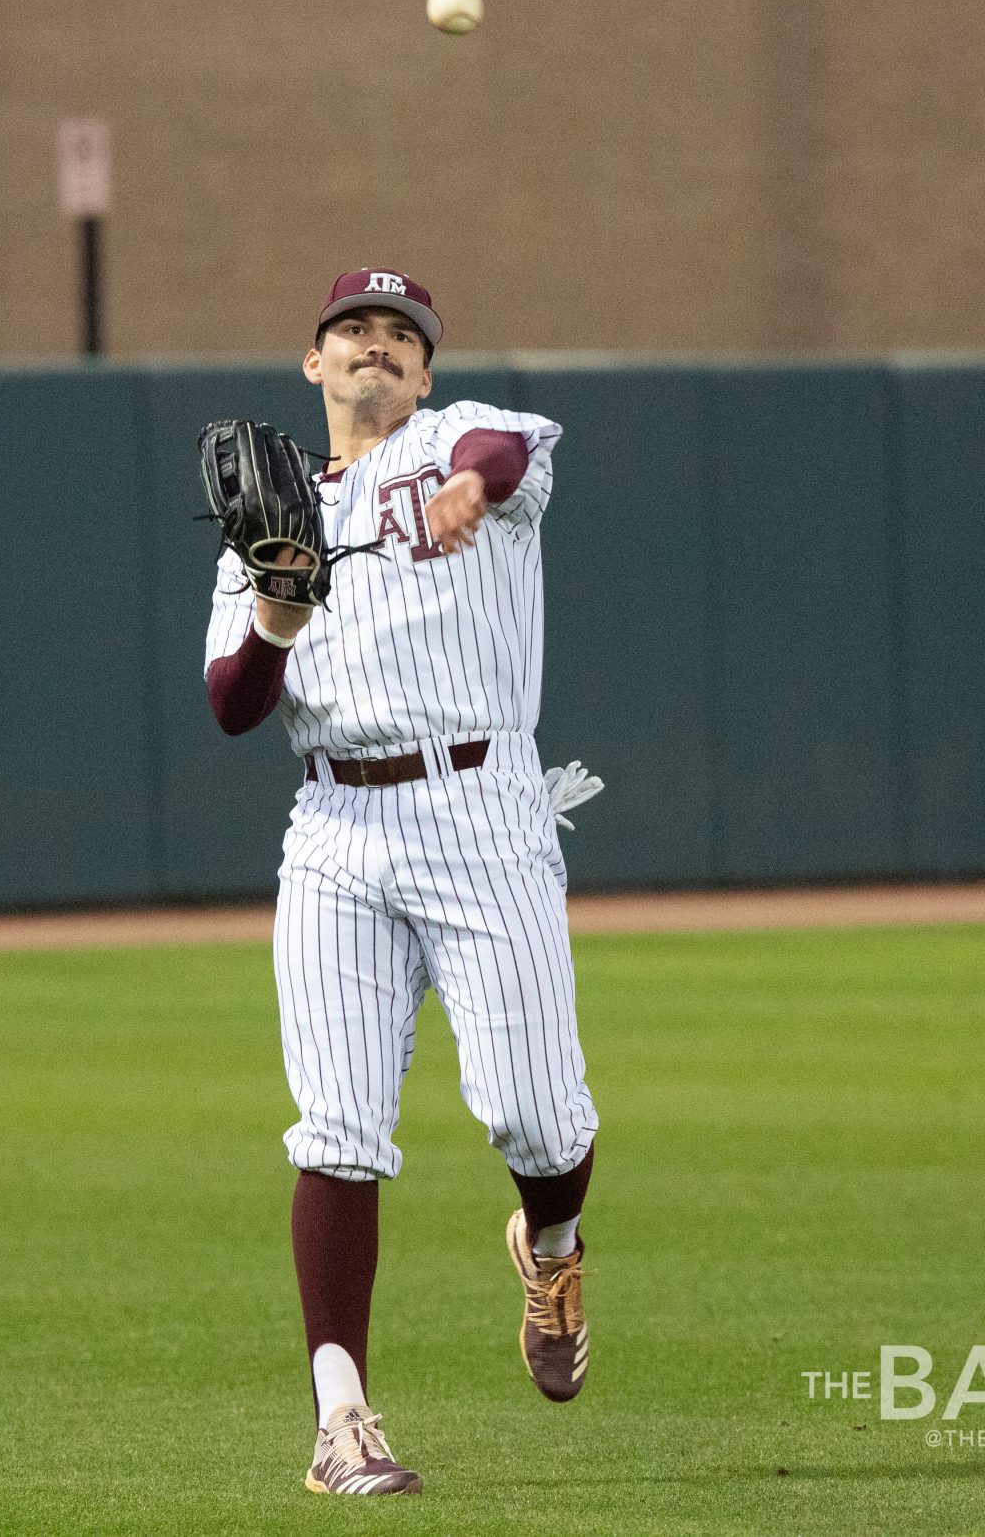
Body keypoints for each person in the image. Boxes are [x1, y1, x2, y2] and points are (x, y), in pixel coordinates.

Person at [203, 268, 601, 1497]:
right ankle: (342, 1422)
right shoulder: (272, 516)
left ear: (423, 371)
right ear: (311, 364)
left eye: (398, 336)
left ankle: (552, 1242)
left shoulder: (459, 442)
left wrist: (472, 484)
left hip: (483, 805)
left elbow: (510, 451)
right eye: (350, 332)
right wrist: (275, 601)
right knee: (334, 1129)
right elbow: (230, 702)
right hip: (332, 826)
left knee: (537, 1118)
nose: (375, 347)